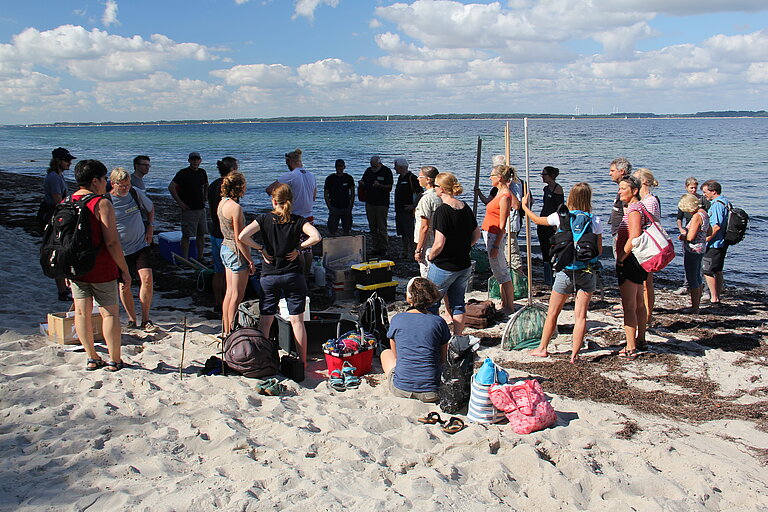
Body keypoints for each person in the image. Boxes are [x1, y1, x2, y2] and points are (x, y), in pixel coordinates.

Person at [239, 183, 322, 366]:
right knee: (297, 321)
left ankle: (262, 359)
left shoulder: (264, 219)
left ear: (273, 201)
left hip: (270, 275)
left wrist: (260, 248)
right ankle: (302, 361)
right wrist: (299, 248)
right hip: (293, 275)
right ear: (291, 201)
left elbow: (242, 236)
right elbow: (316, 237)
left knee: (265, 321)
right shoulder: (298, 220)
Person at [522, 183, 602, 363]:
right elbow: (599, 249)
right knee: (581, 316)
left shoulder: (560, 216)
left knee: (553, 312)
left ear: (571, 197)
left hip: (566, 271)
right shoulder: (595, 220)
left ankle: (542, 348)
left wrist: (524, 207)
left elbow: (537, 220)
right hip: (587, 271)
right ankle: (575, 354)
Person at [69, 160, 131, 372]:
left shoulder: (69, 201)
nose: (107, 183)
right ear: (95, 181)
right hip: (101, 266)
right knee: (109, 313)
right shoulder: (101, 203)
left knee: (81, 313)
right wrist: (124, 270)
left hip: (77, 267)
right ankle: (114, 359)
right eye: (105, 178)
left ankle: (92, 357)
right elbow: (112, 242)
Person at [427, 172, 481, 335]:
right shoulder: (464, 206)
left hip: (444, 265)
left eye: (436, 186)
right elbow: (476, 234)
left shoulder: (442, 211)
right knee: (458, 303)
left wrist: (431, 256)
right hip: (463, 263)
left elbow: (439, 243)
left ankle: (435, 336)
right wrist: (464, 246)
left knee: (431, 302)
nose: (434, 189)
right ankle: (458, 336)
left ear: (442, 189)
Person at [380, 277, 451, 403]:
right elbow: (443, 359)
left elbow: (396, 356)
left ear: (409, 297)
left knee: (386, 353)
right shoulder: (439, 322)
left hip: (401, 389)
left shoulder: (397, 319)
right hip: (432, 391)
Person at [109, 167, 157, 333]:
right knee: (124, 285)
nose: (125, 188)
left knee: (147, 279)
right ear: (113, 184)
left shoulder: (135, 193)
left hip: (140, 245)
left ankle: (146, 319)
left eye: (127, 185)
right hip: (120, 250)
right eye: (121, 185)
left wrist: (150, 228)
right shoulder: (106, 200)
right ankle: (131, 319)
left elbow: (150, 208)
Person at [217, 172, 256, 337]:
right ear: (239, 187)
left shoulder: (222, 203)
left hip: (225, 247)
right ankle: (231, 330)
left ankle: (226, 329)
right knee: (237, 295)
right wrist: (250, 260)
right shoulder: (236, 208)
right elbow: (240, 238)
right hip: (235, 251)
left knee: (229, 292)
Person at [615, 176, 648, 360]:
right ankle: (640, 338)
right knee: (638, 302)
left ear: (634, 191)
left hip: (631, 261)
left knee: (629, 305)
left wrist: (621, 257)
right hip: (637, 261)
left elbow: (634, 236)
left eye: (623, 188)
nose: (619, 191)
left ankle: (630, 346)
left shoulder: (634, 209)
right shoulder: (639, 207)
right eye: (619, 188)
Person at [475, 155, 523, 271]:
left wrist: (507, 188)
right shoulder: (497, 189)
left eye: (493, 174)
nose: (490, 177)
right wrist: (479, 193)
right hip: (500, 228)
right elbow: (489, 202)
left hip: (508, 226)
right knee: (503, 259)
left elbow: (516, 205)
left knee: (511, 256)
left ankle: (517, 279)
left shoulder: (513, 185)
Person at [479, 164, 516, 313]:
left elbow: (502, 224)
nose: (490, 178)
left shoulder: (505, 196)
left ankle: (509, 306)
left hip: (495, 235)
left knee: (501, 270)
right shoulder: (499, 193)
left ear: (499, 178)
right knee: (498, 271)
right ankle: (505, 302)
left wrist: (495, 245)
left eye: (492, 175)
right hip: (490, 233)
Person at [43, 147, 75, 301]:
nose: (69, 163)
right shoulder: (54, 178)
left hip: (58, 216)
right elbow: (57, 202)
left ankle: (64, 288)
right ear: (58, 161)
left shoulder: (58, 176)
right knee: (59, 252)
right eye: (67, 160)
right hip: (56, 218)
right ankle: (62, 290)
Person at [208, 157, 238, 312]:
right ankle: (228, 302)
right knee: (229, 272)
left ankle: (218, 301)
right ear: (233, 169)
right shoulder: (228, 187)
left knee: (218, 270)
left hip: (214, 231)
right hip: (226, 235)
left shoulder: (213, 184)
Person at [633, 168, 661, 329]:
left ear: (643, 181)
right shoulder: (643, 199)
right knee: (642, 282)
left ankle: (647, 314)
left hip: (647, 244)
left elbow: (652, 223)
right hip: (642, 243)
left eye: (636, 178)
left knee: (646, 282)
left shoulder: (650, 201)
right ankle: (643, 312)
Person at [168, 152, 208, 260]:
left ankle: (200, 257)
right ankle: (185, 259)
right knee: (186, 235)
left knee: (201, 234)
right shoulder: (183, 173)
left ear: (200, 161)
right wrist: (180, 202)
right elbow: (171, 187)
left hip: (201, 208)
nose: (195, 161)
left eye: (197, 159)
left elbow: (206, 184)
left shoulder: (202, 172)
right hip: (188, 209)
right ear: (189, 160)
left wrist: (205, 195)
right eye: (193, 159)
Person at [677, 193, 711, 313]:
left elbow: (690, 237)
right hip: (701, 247)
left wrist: (682, 237)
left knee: (692, 277)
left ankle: (695, 307)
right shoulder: (704, 213)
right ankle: (697, 304)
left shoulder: (696, 216)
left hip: (693, 249)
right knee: (697, 276)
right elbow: (709, 231)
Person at [701, 180, 730, 305]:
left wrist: (705, 240)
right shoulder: (725, 202)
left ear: (713, 191)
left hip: (715, 243)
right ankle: (717, 296)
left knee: (707, 270)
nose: (704, 195)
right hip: (722, 242)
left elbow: (716, 226)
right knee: (718, 269)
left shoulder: (717, 205)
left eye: (705, 192)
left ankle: (714, 298)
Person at [359, 155, 393, 256]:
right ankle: (375, 247)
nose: (373, 168)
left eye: (374, 166)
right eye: (371, 166)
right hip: (369, 202)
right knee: (372, 226)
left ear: (379, 163)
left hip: (381, 203)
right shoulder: (368, 171)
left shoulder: (386, 171)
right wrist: (361, 184)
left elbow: (389, 187)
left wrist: (379, 186)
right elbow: (364, 181)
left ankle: (384, 248)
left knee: (382, 226)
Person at [536, 166, 564, 286]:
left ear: (551, 176)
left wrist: (558, 224)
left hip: (552, 223)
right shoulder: (546, 189)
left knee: (552, 249)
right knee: (544, 249)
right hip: (543, 220)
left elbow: (560, 207)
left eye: (544, 174)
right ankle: (547, 277)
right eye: (542, 174)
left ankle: (554, 275)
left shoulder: (557, 189)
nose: (542, 176)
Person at [413, 165, 442, 278]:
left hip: (428, 242)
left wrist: (418, 249)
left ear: (428, 179)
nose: (417, 178)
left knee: (427, 275)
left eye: (420, 176)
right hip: (439, 240)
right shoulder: (441, 195)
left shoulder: (426, 198)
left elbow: (424, 227)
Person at [393, 157, 422, 258]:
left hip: (407, 211)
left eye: (396, 166)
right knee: (403, 232)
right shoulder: (400, 177)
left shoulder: (412, 178)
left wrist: (414, 205)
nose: (394, 168)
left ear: (401, 167)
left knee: (410, 232)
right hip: (399, 210)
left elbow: (420, 192)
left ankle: (414, 252)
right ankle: (405, 251)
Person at [324, 159, 355, 236]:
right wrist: (329, 207)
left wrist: (350, 206)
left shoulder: (349, 178)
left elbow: (353, 193)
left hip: (346, 208)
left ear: (344, 167)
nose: (339, 168)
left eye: (341, 166)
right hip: (334, 208)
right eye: (337, 166)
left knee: (347, 230)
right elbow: (325, 194)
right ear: (335, 167)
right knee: (332, 231)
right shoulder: (330, 178)